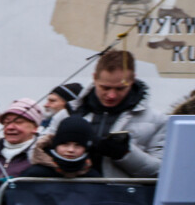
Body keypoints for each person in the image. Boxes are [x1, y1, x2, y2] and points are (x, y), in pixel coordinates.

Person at [39, 49, 164, 178]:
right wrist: (62, 158)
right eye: (105, 87)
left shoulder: (157, 120)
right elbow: (36, 152)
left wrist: (125, 154)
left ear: (132, 80)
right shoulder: (67, 114)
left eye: (120, 88)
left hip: (122, 191)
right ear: (94, 78)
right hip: (72, 190)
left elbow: (162, 172)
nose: (111, 95)